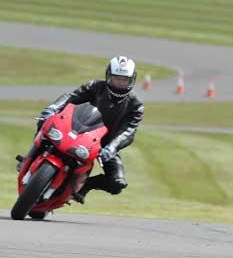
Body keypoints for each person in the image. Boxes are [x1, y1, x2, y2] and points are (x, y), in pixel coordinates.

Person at [16, 56, 144, 204]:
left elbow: (128, 131)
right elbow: (71, 97)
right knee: (46, 122)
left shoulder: (136, 106)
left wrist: (111, 148)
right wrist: (52, 109)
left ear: (132, 80)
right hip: (79, 128)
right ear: (108, 76)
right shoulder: (95, 86)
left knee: (117, 183)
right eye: (116, 78)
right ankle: (29, 158)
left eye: (124, 80)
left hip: (106, 143)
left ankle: (83, 186)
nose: (120, 83)